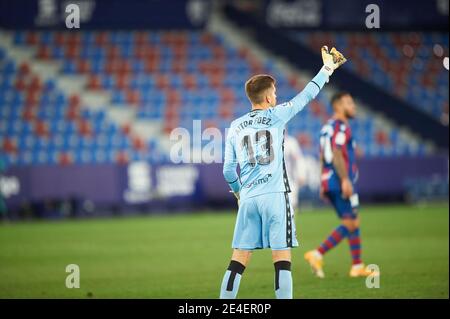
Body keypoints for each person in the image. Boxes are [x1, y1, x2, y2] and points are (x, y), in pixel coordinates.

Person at [220, 46, 347, 298]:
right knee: (281, 259)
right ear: (267, 98)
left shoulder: (234, 127)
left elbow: (227, 171)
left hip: (248, 199)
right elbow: (307, 95)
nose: (276, 97)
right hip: (276, 196)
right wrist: (327, 69)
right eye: (275, 93)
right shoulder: (277, 115)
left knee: (238, 260)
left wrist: (238, 193)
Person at [304, 92, 378, 278]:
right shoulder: (341, 126)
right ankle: (317, 253)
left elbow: (322, 155)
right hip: (339, 179)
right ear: (338, 106)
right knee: (349, 222)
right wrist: (345, 179)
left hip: (329, 179)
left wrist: (323, 181)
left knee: (353, 220)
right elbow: (336, 152)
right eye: (349, 103)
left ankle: (357, 265)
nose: (353, 106)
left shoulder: (327, 127)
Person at [284, 132, 306, 211]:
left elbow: (298, 159)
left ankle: (292, 223)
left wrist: (301, 174)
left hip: (290, 179)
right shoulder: (271, 141)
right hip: (276, 181)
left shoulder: (291, 142)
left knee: (292, 205)